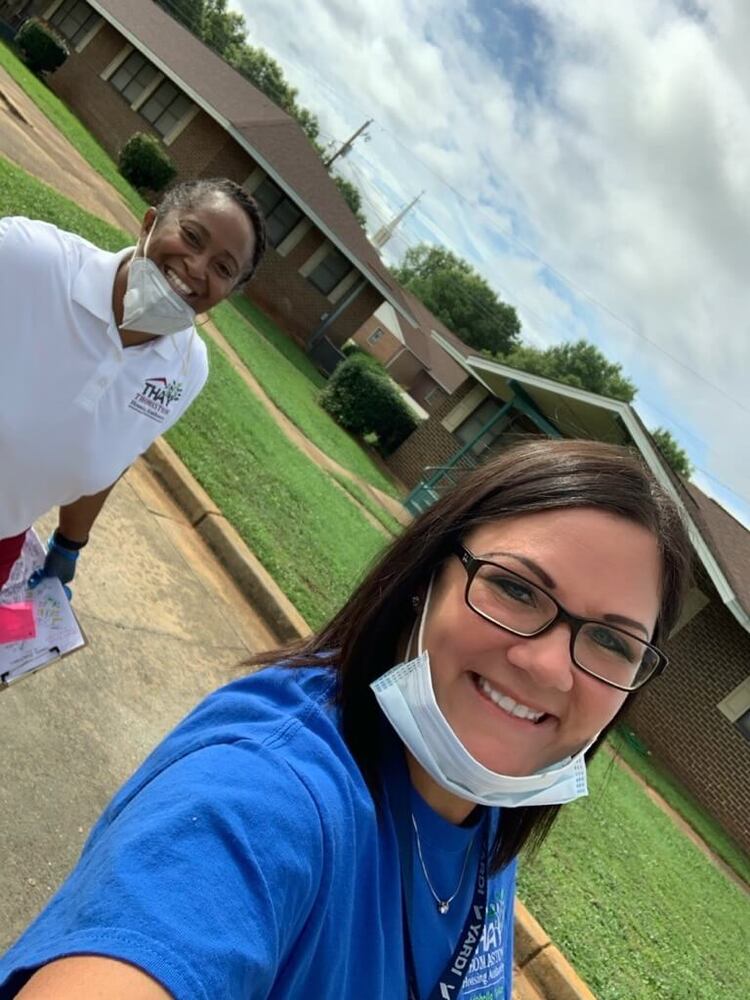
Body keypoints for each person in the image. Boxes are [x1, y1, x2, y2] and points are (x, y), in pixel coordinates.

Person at [0, 439, 692, 999]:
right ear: (427, 579)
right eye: (515, 588)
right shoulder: (267, 796)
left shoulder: (481, 814)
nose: (549, 667)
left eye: (612, 641)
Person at [0, 178, 266, 594]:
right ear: (150, 223)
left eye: (223, 268)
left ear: (228, 292)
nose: (197, 268)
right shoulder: (28, 259)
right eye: (192, 237)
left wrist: (70, 544)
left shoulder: (186, 368)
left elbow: (116, 450)